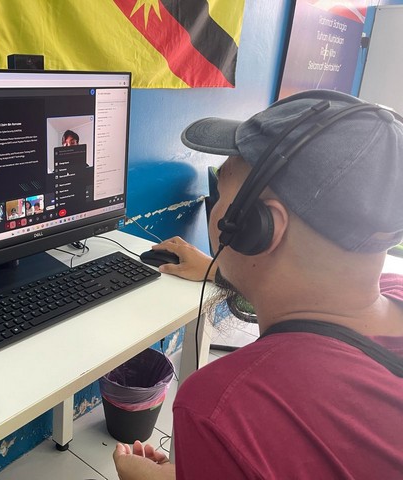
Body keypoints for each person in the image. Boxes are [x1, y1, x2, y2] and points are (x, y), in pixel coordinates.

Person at [113, 89, 403, 479]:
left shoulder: (222, 409)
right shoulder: (392, 291)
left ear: (255, 228)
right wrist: (216, 269)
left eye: (222, 190)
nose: (215, 206)